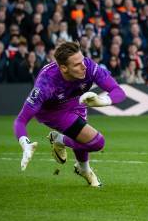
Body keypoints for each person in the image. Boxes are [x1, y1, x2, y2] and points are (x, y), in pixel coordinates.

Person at [12, 42, 126, 187]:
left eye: (83, 60)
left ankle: (84, 169)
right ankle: (61, 140)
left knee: (83, 138)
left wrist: (102, 100)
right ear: (64, 68)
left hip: (76, 101)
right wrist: (24, 143)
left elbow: (119, 91)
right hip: (53, 112)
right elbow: (21, 120)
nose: (84, 66)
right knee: (97, 142)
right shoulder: (46, 83)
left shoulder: (89, 67)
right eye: (77, 64)